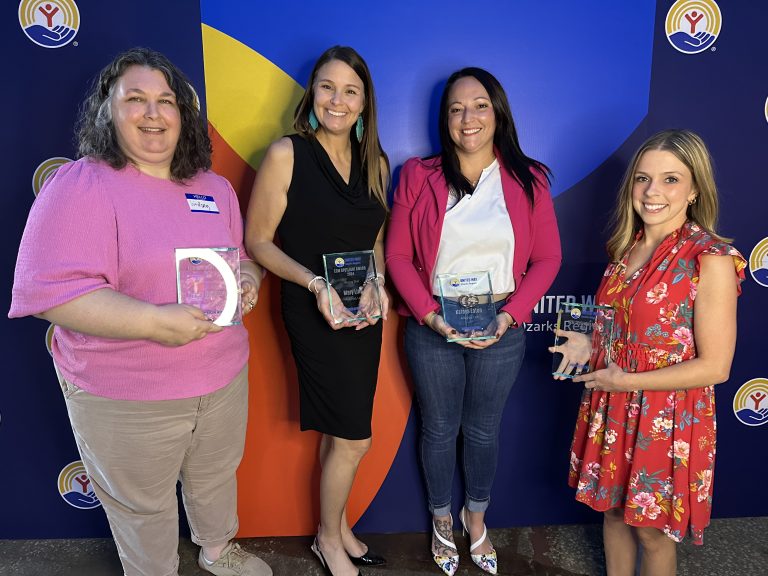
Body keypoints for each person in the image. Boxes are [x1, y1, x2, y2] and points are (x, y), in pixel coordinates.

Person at [9, 48, 271, 576]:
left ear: (183, 114)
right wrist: (154, 323)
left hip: (221, 378)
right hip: (128, 392)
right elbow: (51, 295)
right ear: (109, 111)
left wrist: (247, 277)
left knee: (217, 475)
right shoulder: (81, 185)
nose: (153, 113)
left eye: (165, 101)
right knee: (142, 506)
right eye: (136, 99)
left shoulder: (213, 187)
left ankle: (218, 549)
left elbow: (240, 257)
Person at [385, 67, 562, 576]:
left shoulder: (530, 178)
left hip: (501, 321)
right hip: (433, 319)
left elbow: (548, 258)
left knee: (484, 431)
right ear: (446, 118)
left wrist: (510, 316)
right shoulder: (419, 175)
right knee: (439, 429)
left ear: (498, 111)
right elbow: (397, 256)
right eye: (457, 108)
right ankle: (442, 520)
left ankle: (476, 520)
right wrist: (429, 315)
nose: (469, 117)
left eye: (480, 104)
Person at [553, 130, 746, 576]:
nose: (653, 192)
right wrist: (590, 344)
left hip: (667, 413)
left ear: (695, 189)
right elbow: (626, 331)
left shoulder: (710, 258)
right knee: (614, 513)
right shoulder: (625, 248)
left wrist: (626, 381)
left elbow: (715, 367)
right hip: (614, 400)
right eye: (643, 179)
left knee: (651, 532)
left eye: (670, 179)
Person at [245, 46, 389, 576]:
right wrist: (315, 284)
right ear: (312, 94)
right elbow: (257, 241)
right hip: (314, 307)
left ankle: (340, 525)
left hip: (362, 313)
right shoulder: (288, 153)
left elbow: (372, 238)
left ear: (364, 103)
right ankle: (328, 539)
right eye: (328, 87)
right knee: (355, 437)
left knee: (342, 431)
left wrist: (378, 284)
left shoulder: (376, 161)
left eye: (351, 90)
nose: (338, 99)